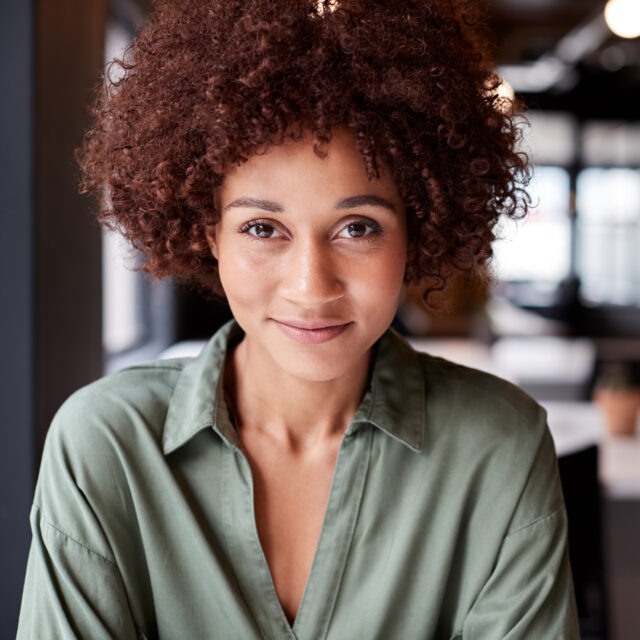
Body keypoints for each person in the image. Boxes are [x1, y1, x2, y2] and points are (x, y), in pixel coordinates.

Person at [17, 0, 580, 638]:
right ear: (210, 233)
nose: (312, 286)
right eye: (264, 228)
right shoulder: (107, 445)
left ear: (416, 231)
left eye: (357, 227)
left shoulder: (499, 446)